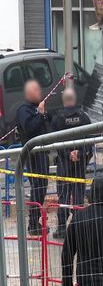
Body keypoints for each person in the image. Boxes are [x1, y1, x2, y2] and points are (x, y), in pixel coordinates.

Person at [51, 87, 93, 239]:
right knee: (78, 195)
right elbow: (90, 140)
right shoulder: (84, 117)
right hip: (79, 163)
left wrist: (67, 154)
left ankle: (62, 229)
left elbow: (53, 141)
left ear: (64, 100)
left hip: (64, 162)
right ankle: (79, 228)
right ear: (74, 100)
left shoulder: (58, 118)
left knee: (63, 195)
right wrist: (80, 154)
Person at [16, 79, 50, 235]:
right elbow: (29, 129)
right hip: (33, 155)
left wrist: (45, 116)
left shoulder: (37, 109)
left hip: (43, 153)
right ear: (29, 93)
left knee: (42, 186)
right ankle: (32, 222)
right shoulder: (24, 110)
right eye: (36, 90)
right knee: (37, 187)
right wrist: (40, 115)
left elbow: (47, 127)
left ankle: (36, 220)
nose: (40, 92)